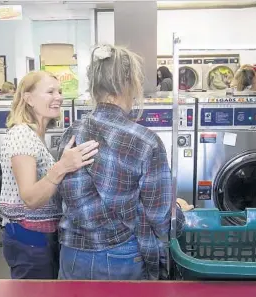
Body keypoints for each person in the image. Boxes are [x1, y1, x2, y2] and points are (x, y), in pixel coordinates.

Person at [56, 45, 188, 281]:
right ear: (129, 83)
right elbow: (159, 216)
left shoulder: (72, 132)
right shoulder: (145, 141)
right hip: (119, 255)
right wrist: (179, 214)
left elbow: (62, 196)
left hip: (72, 253)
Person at [0, 71, 99, 279]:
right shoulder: (21, 135)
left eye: (60, 91)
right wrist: (63, 166)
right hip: (29, 238)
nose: (59, 97)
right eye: (50, 91)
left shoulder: (34, 135)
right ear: (28, 99)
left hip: (37, 236)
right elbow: (30, 198)